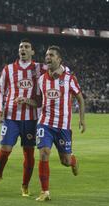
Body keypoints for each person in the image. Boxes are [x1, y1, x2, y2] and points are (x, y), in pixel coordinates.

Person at [0, 39, 41, 197]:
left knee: (29, 153)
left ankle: (25, 186)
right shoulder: (9, 69)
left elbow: (56, 67)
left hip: (31, 118)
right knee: (5, 149)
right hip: (11, 117)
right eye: (20, 47)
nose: (23, 49)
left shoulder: (39, 68)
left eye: (26, 47)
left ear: (32, 51)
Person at [35, 46, 86, 201]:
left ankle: (73, 160)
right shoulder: (42, 79)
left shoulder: (69, 78)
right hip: (45, 123)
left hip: (63, 126)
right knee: (44, 153)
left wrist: (82, 119)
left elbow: (80, 98)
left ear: (59, 59)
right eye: (46, 55)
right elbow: (39, 101)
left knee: (65, 161)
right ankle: (45, 192)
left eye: (51, 55)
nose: (48, 57)